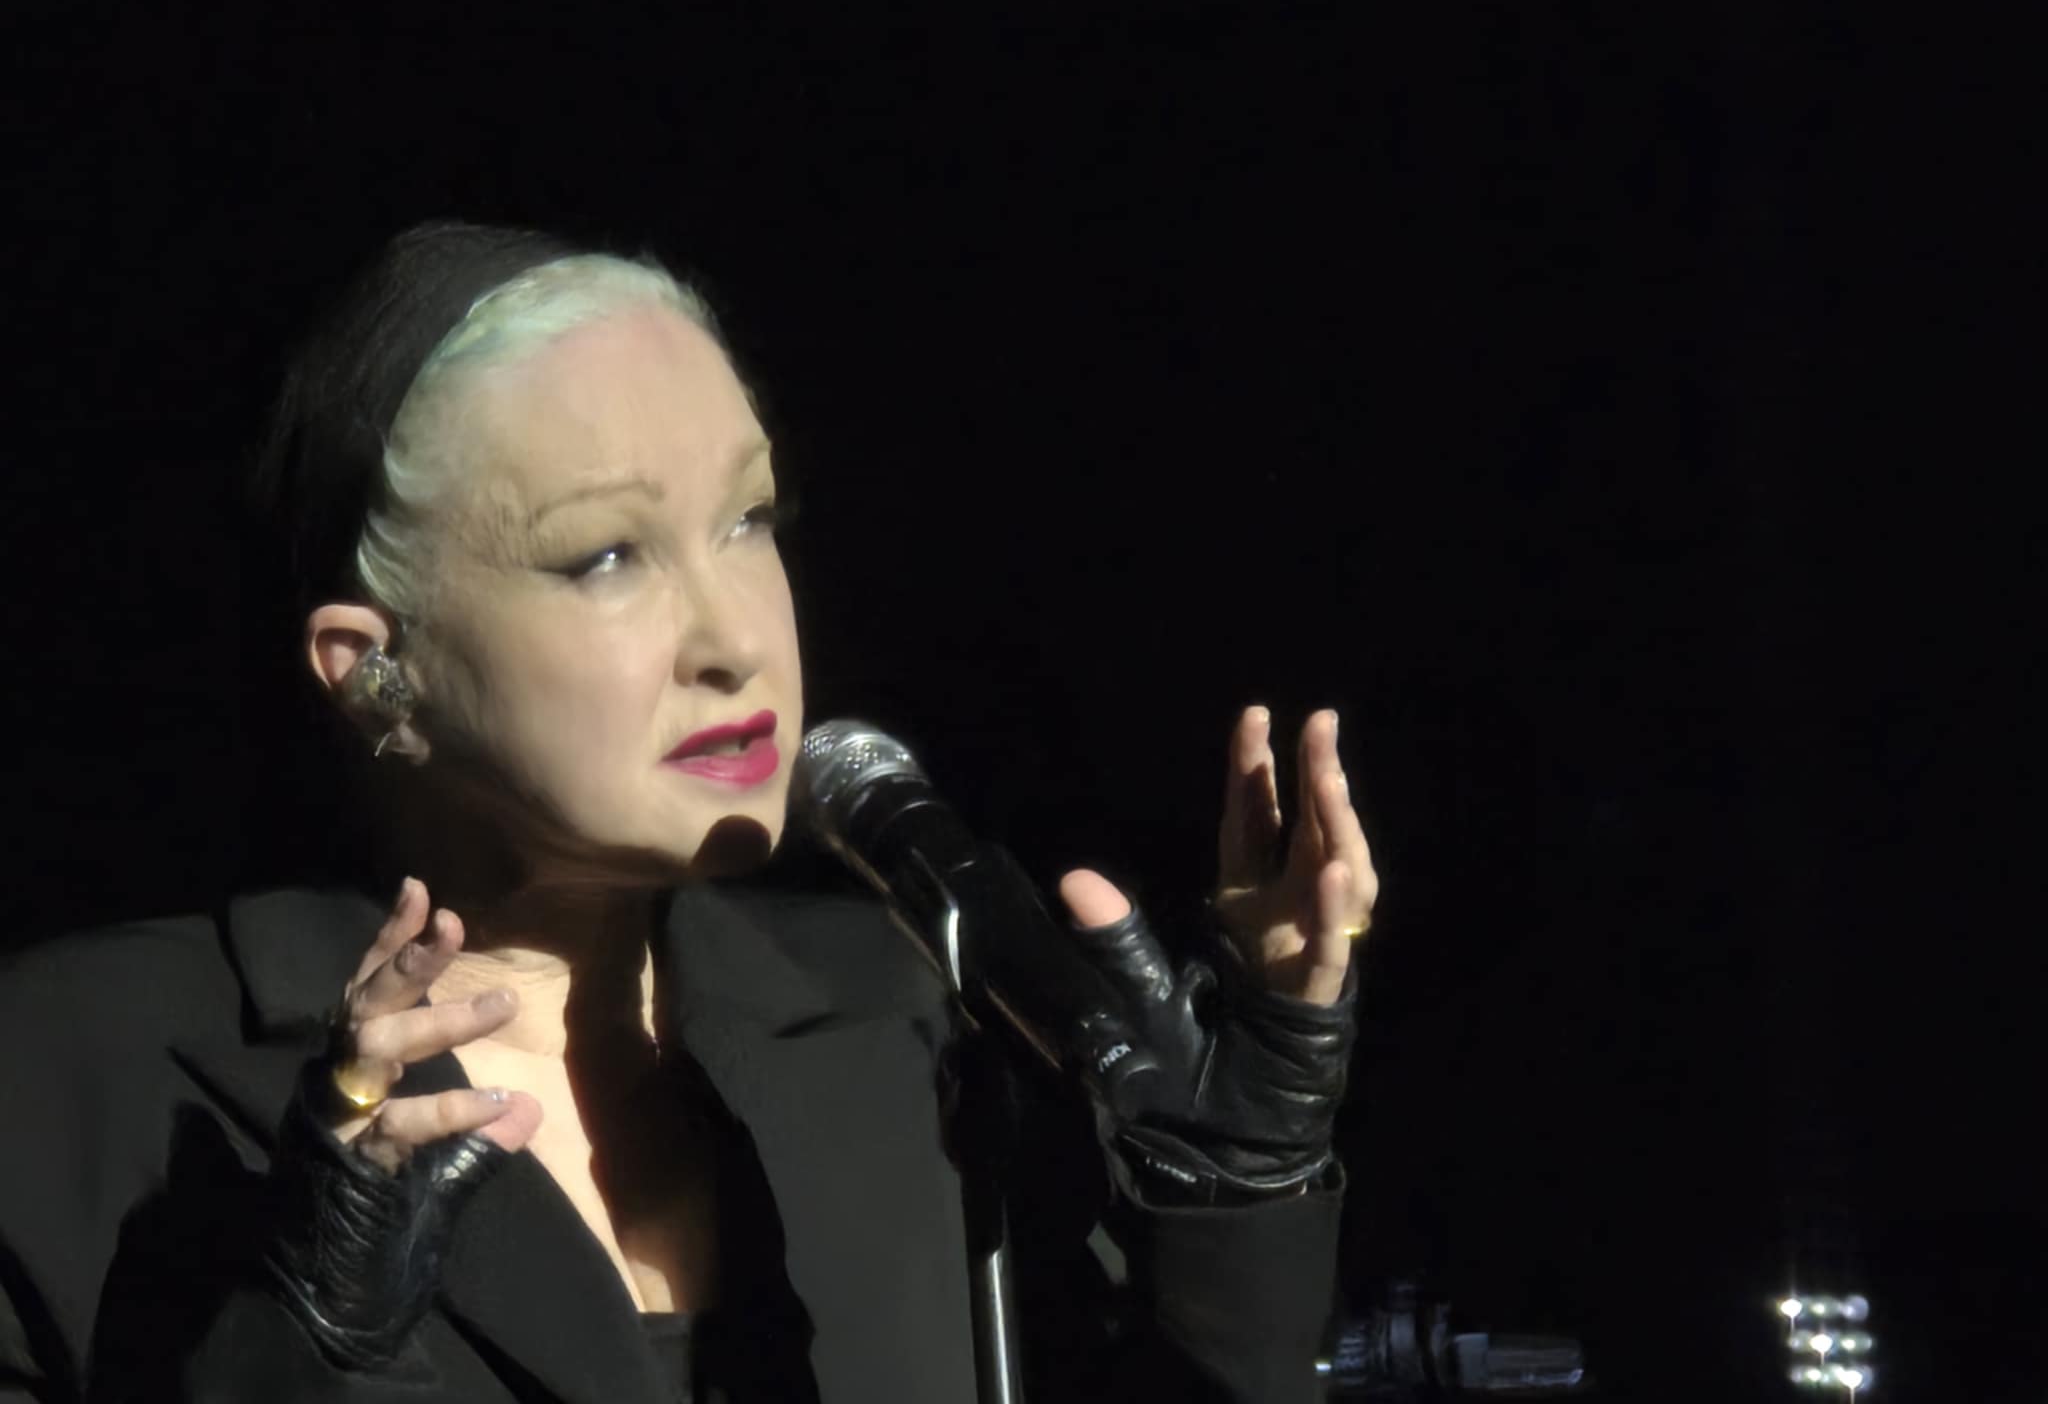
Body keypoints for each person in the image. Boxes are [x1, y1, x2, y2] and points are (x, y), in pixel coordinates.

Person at [0, 220, 1377, 1403]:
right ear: (376, 675)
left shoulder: (917, 1035)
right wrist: (308, 1351)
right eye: (606, 555)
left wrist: (1237, 1213)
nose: (735, 636)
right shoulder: (78, 1078)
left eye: (751, 518)